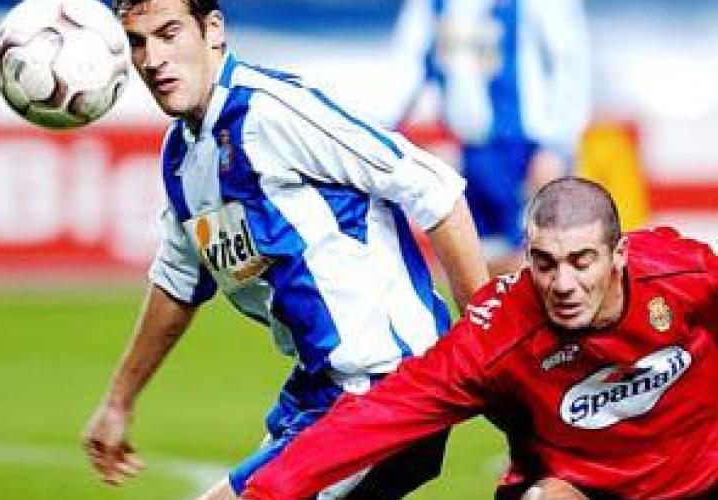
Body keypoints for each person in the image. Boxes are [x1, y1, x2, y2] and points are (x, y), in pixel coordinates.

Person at [82, 1, 489, 499]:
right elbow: (179, 282)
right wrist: (119, 401)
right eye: (137, 43)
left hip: (388, 388)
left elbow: (434, 188)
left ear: (213, 31)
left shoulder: (272, 111)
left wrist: (486, 337)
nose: (153, 59)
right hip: (322, 392)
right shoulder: (182, 155)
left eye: (169, 34)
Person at [241, 177, 718, 500]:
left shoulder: (685, 272)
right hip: (577, 487)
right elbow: (381, 415)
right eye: (545, 263)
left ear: (619, 254)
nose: (563, 284)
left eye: (581, 261)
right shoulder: (495, 335)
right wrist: (267, 491)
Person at [392, 0, 591, 275]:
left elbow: (570, 64)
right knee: (476, 265)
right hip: (466, 152)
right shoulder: (432, 6)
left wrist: (557, 146)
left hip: (526, 150)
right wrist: (387, 135)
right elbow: (408, 67)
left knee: (536, 260)